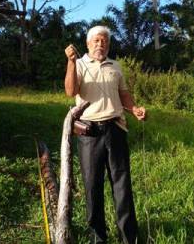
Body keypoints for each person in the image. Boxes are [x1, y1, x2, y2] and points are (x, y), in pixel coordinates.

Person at [64, 25, 146, 244]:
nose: (101, 45)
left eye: (105, 41)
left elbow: (123, 94)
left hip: (115, 129)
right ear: (88, 43)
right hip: (89, 132)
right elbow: (71, 91)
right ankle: (98, 237)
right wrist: (71, 62)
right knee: (92, 186)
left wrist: (135, 109)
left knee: (122, 183)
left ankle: (128, 236)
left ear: (109, 44)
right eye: (97, 41)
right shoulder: (79, 63)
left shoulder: (115, 66)